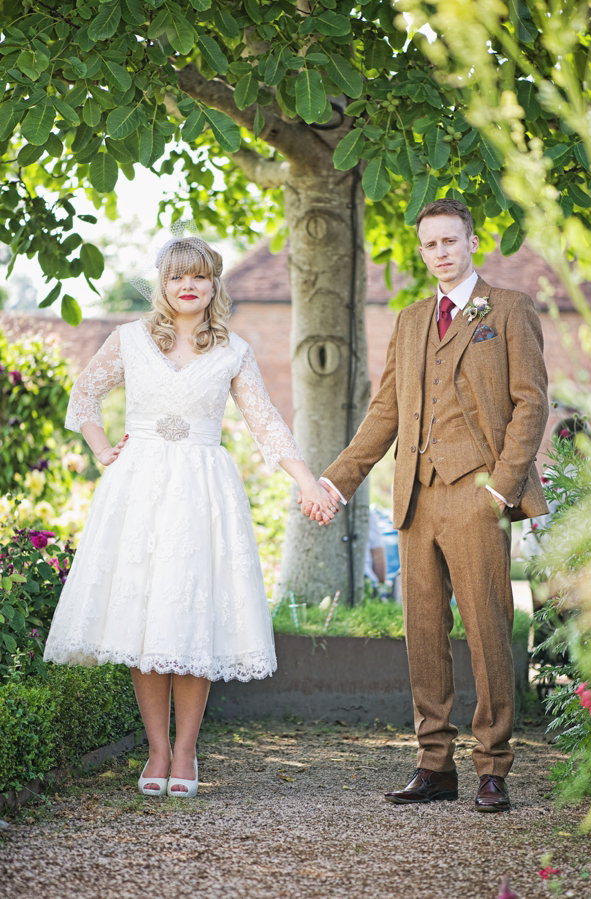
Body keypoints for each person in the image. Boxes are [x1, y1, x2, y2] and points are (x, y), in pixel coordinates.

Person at [44, 235, 336, 798]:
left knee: (191, 618)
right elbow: (83, 396)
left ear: (213, 284)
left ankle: (186, 750)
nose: (187, 286)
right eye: (177, 276)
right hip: (139, 490)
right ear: (162, 282)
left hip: (203, 492)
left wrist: (306, 482)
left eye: (198, 276)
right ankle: (156, 749)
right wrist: (103, 448)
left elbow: (267, 423)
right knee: (145, 618)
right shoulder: (128, 339)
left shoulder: (234, 351)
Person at [302, 199, 549, 812]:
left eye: (449, 240)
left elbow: (531, 404)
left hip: (477, 492)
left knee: (488, 629)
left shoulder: (510, 309)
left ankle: (493, 766)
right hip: (414, 495)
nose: (440, 252)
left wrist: (502, 488)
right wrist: (338, 481)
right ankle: (434, 764)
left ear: (471, 241)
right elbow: (385, 411)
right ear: (422, 251)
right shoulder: (412, 321)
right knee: (423, 632)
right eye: (429, 244)